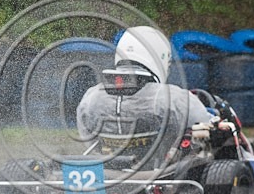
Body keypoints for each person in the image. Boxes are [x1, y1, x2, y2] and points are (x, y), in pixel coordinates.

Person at [75, 26, 213, 164]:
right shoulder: (175, 98)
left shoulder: (91, 97)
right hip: (162, 176)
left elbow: (90, 140)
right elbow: (203, 132)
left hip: (110, 174)